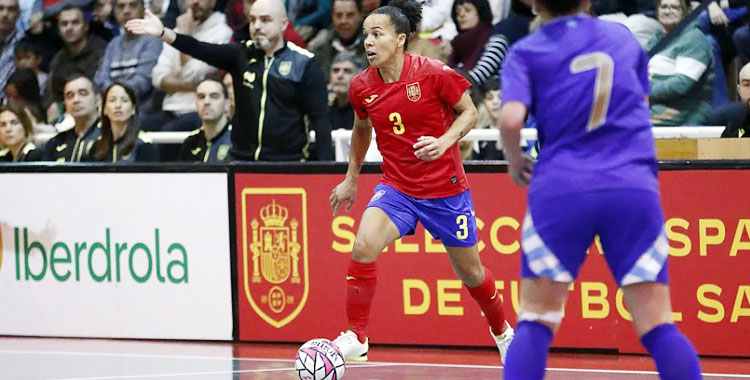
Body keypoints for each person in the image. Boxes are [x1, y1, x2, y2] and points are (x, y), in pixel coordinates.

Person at [498, 1, 703, 379]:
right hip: (630, 185)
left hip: (561, 188)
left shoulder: (526, 51)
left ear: (533, 3)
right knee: (658, 324)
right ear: (587, 0)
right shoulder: (623, 39)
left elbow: (510, 118)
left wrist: (514, 162)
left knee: (536, 320)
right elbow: (642, 103)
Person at [326, 0, 514, 363]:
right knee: (363, 245)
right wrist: (351, 178)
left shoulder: (432, 72)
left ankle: (503, 331)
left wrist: (444, 141)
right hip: (398, 187)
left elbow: (470, 112)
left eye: (376, 34)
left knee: (472, 273)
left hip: (445, 190)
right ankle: (357, 336)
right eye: (365, 35)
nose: (368, 42)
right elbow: (362, 127)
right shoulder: (362, 86)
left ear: (400, 39)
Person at [125, 0, 334, 161]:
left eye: (265, 20)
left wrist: (327, 172)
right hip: (241, 162)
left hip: (288, 162)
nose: (257, 26)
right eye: (252, 20)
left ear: (283, 24)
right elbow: (200, 48)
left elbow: (320, 121)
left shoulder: (305, 63)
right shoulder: (240, 55)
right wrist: (164, 33)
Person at [145, 0, 232, 133]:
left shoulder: (222, 32)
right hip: (170, 108)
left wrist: (185, 36)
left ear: (213, 2)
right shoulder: (176, 30)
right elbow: (158, 77)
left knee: (169, 132)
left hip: (198, 110)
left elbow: (193, 73)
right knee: (140, 128)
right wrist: (194, 86)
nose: (195, 2)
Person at [646, 0, 714, 126]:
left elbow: (680, 85)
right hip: (652, 105)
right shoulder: (656, 39)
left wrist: (646, 91)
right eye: (664, 7)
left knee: (627, 126)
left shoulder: (695, 40)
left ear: (686, 12)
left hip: (681, 111)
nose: (667, 11)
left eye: (675, 8)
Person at [44, 6, 108, 124]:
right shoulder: (58, 59)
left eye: (75, 23)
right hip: (64, 116)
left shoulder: (102, 51)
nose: (69, 28)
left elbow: (100, 89)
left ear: (86, 26)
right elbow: (50, 93)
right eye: (64, 24)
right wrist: (53, 106)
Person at [94, 0, 164, 107]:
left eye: (133, 5)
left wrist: (114, 93)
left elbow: (143, 82)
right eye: (121, 7)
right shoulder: (113, 44)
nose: (126, 11)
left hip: (142, 107)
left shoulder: (153, 39)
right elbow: (101, 79)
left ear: (143, 11)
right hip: (114, 106)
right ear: (115, 12)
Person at [86, 82, 158, 162]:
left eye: (124, 100)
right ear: (105, 110)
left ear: (133, 109)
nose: (118, 105)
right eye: (112, 100)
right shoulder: (96, 147)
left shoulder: (144, 145)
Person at [43, 74, 102, 162]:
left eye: (83, 93)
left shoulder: (109, 136)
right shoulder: (56, 143)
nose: (76, 100)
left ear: (97, 100)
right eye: (70, 96)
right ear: (65, 104)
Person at [308, 0, 367, 79]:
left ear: (360, 15)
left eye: (350, 15)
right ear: (332, 16)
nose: (343, 21)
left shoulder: (373, 47)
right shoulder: (319, 48)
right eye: (338, 15)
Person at [178, 79, 232, 162]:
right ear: (196, 104)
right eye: (201, 97)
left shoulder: (238, 140)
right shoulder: (191, 142)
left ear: (226, 104)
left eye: (214, 96)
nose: (206, 102)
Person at [328, 51, 365, 131]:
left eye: (347, 71)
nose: (340, 75)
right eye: (336, 70)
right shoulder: (324, 112)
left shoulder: (367, 113)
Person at [0, 0, 23, 103]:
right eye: (0, 8)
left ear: (18, 14)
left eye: (11, 9)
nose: (5, 14)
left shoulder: (24, 43)